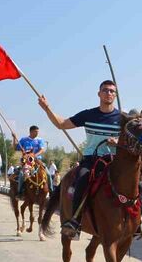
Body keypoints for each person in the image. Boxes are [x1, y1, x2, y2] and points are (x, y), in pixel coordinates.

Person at [38, 79, 121, 238]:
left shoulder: (121, 118)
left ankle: (136, 220)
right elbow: (61, 123)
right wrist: (47, 108)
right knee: (82, 178)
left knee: (131, 181)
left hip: (114, 161)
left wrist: (118, 142)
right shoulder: (88, 114)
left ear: (115, 95)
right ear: (99, 94)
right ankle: (74, 221)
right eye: (105, 90)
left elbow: (128, 141)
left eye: (111, 91)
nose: (108, 93)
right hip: (92, 160)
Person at [12, 125, 48, 196]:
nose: (37, 133)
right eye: (36, 131)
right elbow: (15, 148)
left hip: (37, 161)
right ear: (31, 131)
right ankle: (20, 192)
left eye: (38, 132)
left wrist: (35, 155)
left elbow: (42, 150)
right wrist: (14, 138)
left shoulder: (40, 140)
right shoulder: (24, 140)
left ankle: (51, 191)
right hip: (27, 162)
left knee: (48, 174)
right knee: (22, 175)